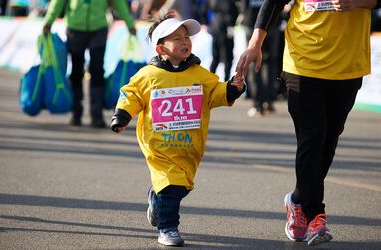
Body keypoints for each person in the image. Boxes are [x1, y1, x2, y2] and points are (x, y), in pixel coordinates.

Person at [236, 0, 381, 247]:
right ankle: (316, 217)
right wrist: (255, 44)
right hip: (302, 63)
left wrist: (357, 2)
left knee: (327, 142)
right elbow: (272, 3)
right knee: (311, 138)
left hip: (347, 65)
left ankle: (296, 200)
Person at [110, 13, 245, 246]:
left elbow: (216, 93)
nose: (185, 42)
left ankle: (156, 200)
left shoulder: (199, 75)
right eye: (177, 38)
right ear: (161, 49)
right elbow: (130, 94)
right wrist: (122, 116)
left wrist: (232, 88)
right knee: (170, 187)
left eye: (187, 37)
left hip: (189, 147)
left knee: (180, 187)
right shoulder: (148, 75)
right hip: (159, 147)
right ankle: (168, 227)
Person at [43, 0, 136, 128]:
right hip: (74, 29)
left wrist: (130, 24)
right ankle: (76, 112)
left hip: (99, 29)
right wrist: (48, 21)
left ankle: (97, 115)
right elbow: (57, 2)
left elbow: (119, 3)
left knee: (97, 71)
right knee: (76, 71)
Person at [207, 0, 239, 81]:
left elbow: (203, 10)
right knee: (226, 58)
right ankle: (222, 81)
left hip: (216, 27)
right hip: (225, 29)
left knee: (217, 58)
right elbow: (234, 11)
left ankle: (212, 81)